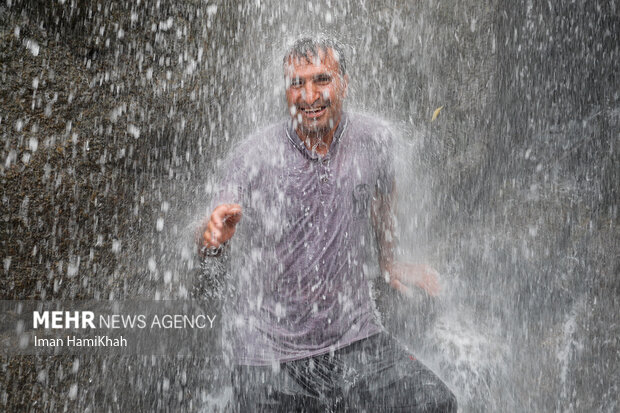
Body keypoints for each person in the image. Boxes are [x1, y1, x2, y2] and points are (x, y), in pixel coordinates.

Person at [196, 37, 457, 412]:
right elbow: (211, 224)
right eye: (296, 83)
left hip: (355, 338)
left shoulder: (374, 140)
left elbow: (384, 192)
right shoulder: (251, 158)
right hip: (269, 353)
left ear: (344, 84)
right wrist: (210, 237)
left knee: (438, 404)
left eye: (321, 80)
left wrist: (389, 260)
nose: (309, 95)